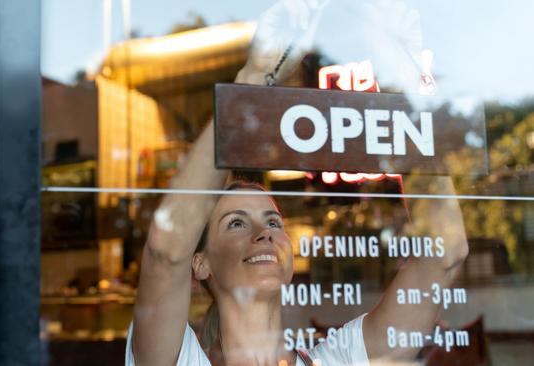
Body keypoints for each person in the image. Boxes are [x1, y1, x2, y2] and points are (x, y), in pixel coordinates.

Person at [126, 1, 469, 365]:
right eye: (236, 222)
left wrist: (401, 84)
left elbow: (445, 254)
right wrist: (252, 82)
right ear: (200, 264)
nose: (264, 234)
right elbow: (166, 251)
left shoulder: (339, 358)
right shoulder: (181, 359)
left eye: (274, 222)